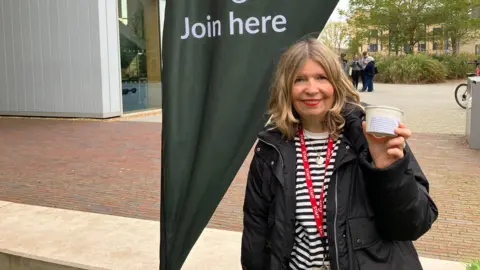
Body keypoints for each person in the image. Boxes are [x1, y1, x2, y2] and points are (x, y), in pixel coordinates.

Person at [241, 39, 438, 270]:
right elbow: (256, 230)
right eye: (299, 79)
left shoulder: (370, 134)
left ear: (336, 81)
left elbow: (412, 226)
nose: (311, 89)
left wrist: (388, 171)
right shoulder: (271, 147)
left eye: (321, 77)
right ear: (286, 87)